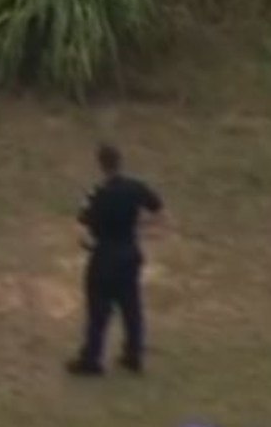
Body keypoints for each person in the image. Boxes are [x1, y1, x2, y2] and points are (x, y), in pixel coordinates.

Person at [66, 144, 165, 377]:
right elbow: (158, 211)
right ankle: (133, 355)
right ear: (120, 162)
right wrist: (139, 228)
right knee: (131, 306)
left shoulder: (97, 194)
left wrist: (89, 244)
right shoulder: (135, 188)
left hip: (104, 258)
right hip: (129, 254)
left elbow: (84, 229)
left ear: (101, 165)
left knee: (98, 311)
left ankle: (92, 359)